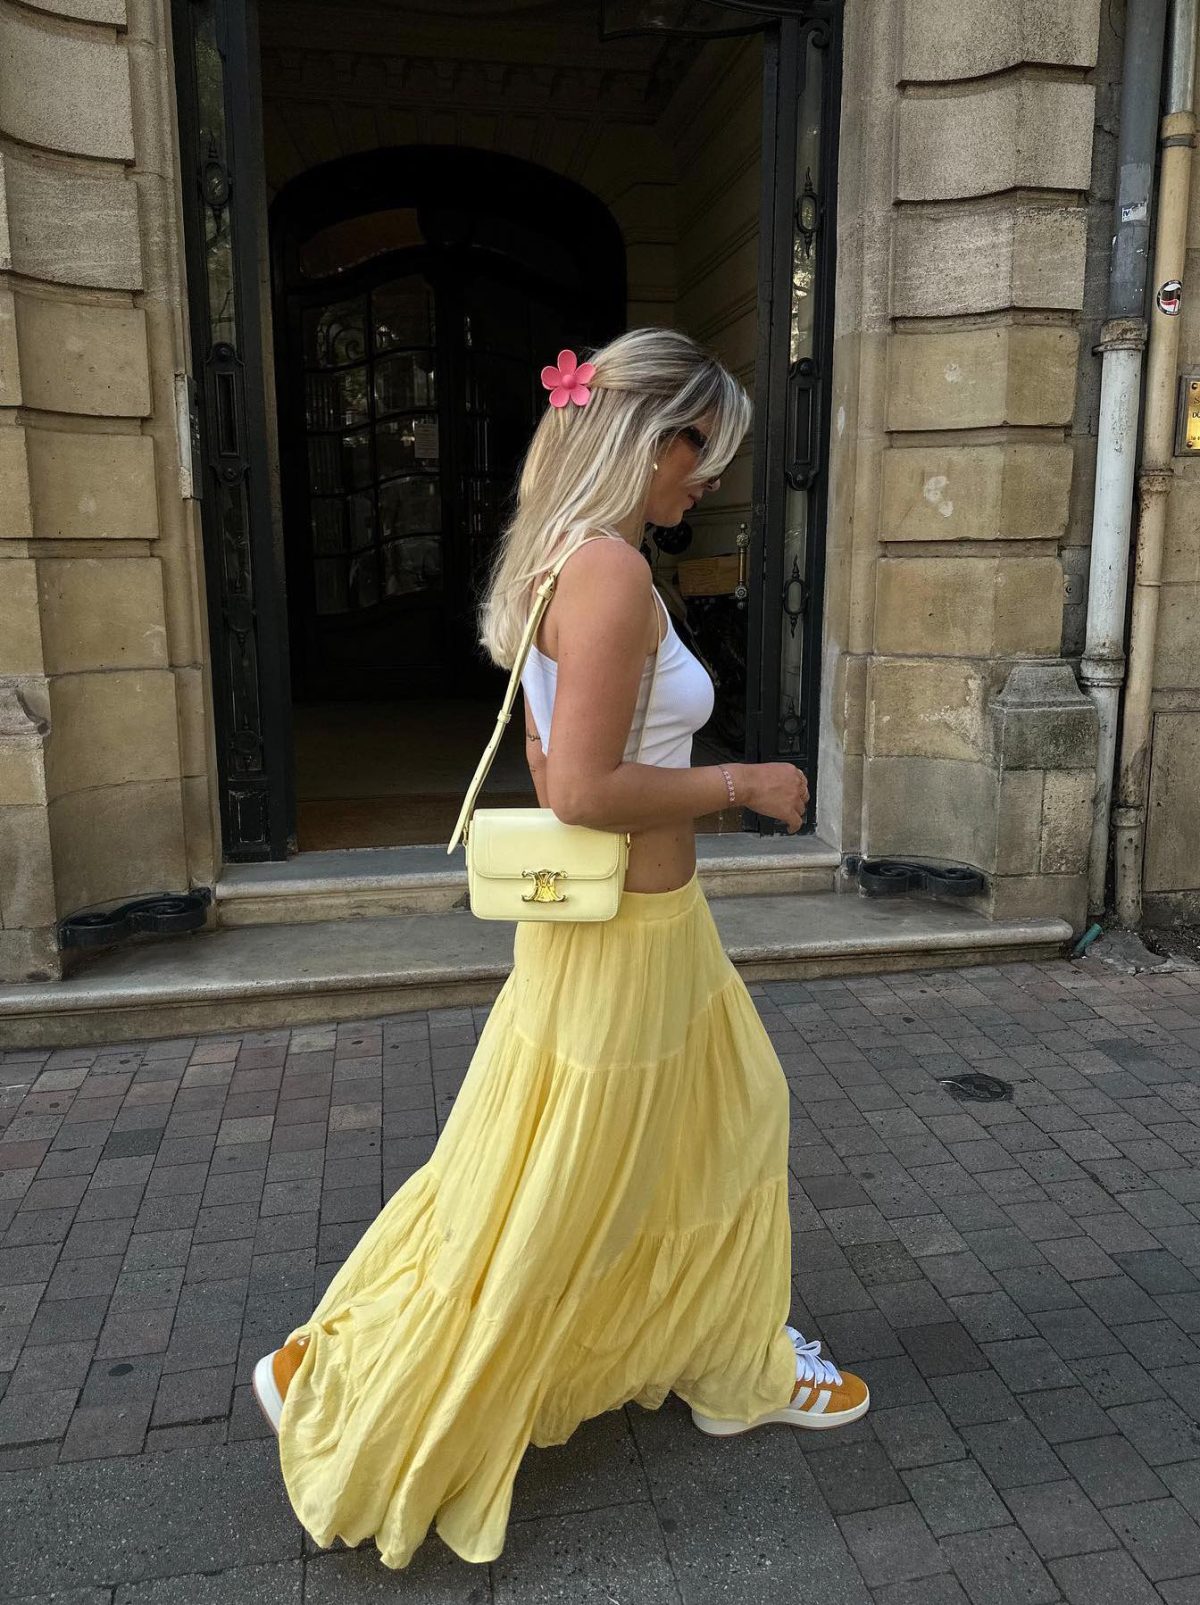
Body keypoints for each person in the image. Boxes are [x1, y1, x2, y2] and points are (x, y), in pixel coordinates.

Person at [252, 327, 869, 1570]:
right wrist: (744, 782)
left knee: (645, 1136)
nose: (711, 482)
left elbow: (544, 758)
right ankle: (379, 1370)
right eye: (705, 453)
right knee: (563, 1183)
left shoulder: (565, 556)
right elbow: (580, 787)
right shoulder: (608, 574)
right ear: (651, 436)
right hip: (627, 937)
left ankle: (714, 1352)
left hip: (631, 931)